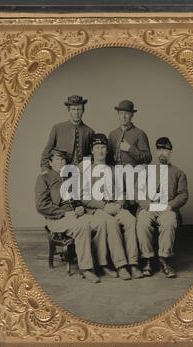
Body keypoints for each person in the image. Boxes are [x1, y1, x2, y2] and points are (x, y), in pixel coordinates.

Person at [35, 148, 117, 283]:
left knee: (101, 223)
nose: (61, 162)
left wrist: (79, 207)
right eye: (57, 159)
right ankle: (86, 269)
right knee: (82, 226)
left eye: (63, 159)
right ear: (50, 163)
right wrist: (64, 213)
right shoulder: (43, 178)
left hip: (76, 214)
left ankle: (102, 263)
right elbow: (41, 206)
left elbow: (78, 198)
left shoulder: (70, 177)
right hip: (57, 218)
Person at [80, 133, 143, 280]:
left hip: (115, 206)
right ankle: (121, 265)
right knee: (111, 223)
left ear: (107, 150)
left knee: (130, 220)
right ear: (92, 150)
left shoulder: (114, 170)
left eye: (103, 147)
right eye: (97, 147)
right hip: (98, 210)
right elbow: (84, 197)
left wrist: (119, 204)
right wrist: (104, 206)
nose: (100, 151)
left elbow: (122, 191)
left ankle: (133, 263)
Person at [136, 137, 189, 278]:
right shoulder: (146, 171)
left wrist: (170, 206)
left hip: (166, 208)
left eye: (165, 150)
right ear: (156, 151)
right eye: (159, 150)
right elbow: (138, 191)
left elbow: (183, 195)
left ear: (170, 152)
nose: (162, 153)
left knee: (169, 222)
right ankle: (147, 259)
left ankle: (164, 259)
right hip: (149, 208)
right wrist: (146, 204)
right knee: (142, 222)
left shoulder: (179, 173)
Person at [40, 95, 95, 171]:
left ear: (83, 110)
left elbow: (93, 153)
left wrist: (87, 161)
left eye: (79, 109)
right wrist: (45, 170)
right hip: (60, 172)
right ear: (69, 110)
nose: (76, 112)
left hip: (81, 173)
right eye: (73, 109)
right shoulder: (57, 128)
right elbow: (47, 152)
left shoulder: (89, 131)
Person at [108, 100, 152, 166]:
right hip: (116, 174)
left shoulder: (140, 134)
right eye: (121, 113)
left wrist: (130, 149)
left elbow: (148, 158)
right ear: (118, 114)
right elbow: (109, 159)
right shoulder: (112, 134)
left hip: (133, 174)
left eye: (127, 113)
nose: (124, 116)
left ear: (132, 115)